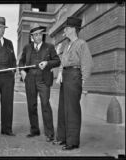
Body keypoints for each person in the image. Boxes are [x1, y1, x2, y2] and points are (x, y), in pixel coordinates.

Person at [53, 16, 93, 150]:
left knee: (72, 109)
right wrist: (59, 74)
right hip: (66, 76)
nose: (65, 30)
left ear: (74, 29)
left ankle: (73, 142)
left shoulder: (82, 44)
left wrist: (84, 84)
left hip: (75, 76)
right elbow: (63, 62)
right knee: (63, 109)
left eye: (68, 28)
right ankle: (63, 138)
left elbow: (87, 65)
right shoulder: (67, 44)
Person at [18, 23, 61, 142]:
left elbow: (57, 61)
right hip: (30, 79)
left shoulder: (49, 47)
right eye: (35, 35)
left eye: (40, 34)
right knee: (31, 105)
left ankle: (50, 133)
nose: (38, 37)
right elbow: (21, 61)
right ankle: (34, 130)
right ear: (32, 36)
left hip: (43, 80)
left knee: (45, 105)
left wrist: (47, 63)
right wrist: (22, 71)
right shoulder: (27, 47)